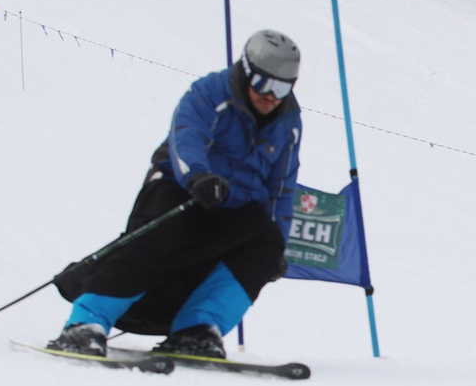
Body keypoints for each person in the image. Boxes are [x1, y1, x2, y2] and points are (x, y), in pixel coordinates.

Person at [49, 29, 303, 358]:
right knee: (162, 234)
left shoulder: (288, 122)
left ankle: (196, 329)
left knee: (267, 240)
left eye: (282, 88)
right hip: (184, 187)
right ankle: (86, 324)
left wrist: (279, 242)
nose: (271, 97)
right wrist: (198, 176)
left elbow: (281, 187)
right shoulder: (211, 91)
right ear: (246, 71)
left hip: (235, 206)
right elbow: (186, 137)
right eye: (264, 85)